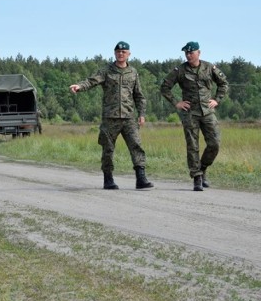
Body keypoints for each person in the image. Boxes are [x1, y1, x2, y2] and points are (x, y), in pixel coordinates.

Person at [69, 41, 154, 190]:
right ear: (115, 53)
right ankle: (108, 179)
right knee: (108, 149)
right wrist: (79, 86)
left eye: (124, 52)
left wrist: (141, 114)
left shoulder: (133, 72)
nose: (121, 54)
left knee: (136, 146)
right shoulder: (106, 71)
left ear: (129, 54)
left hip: (129, 117)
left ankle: (141, 179)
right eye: (118, 51)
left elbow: (139, 96)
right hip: (110, 118)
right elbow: (91, 81)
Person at [160, 41, 229, 191]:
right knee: (193, 146)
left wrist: (217, 99)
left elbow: (223, 83)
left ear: (199, 53)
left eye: (191, 53)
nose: (189, 55)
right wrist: (176, 102)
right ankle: (197, 177)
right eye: (186, 53)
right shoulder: (180, 70)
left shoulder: (210, 68)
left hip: (207, 112)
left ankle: (203, 168)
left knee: (214, 143)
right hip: (190, 113)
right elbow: (165, 87)